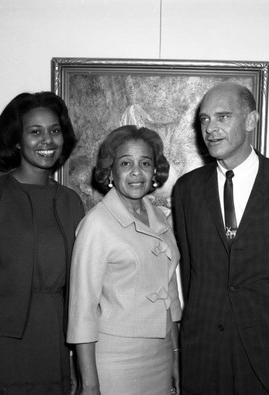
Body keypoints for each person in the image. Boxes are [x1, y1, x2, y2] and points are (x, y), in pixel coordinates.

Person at [172, 82, 269, 395]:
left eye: (223, 117)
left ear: (251, 121)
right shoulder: (187, 190)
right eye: (204, 120)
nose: (211, 129)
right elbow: (191, 277)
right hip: (205, 357)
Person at [0, 91, 85, 394]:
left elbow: (79, 293)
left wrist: (77, 363)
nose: (47, 140)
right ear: (16, 140)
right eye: (35, 132)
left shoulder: (71, 202)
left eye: (55, 130)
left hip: (52, 350)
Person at [67, 125, 182, 395]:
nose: (136, 172)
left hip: (161, 354)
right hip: (114, 362)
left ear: (155, 171)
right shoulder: (96, 224)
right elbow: (82, 310)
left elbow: (169, 295)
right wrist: (90, 384)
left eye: (145, 163)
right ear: (111, 171)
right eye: (126, 163)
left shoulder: (159, 218)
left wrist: (176, 354)